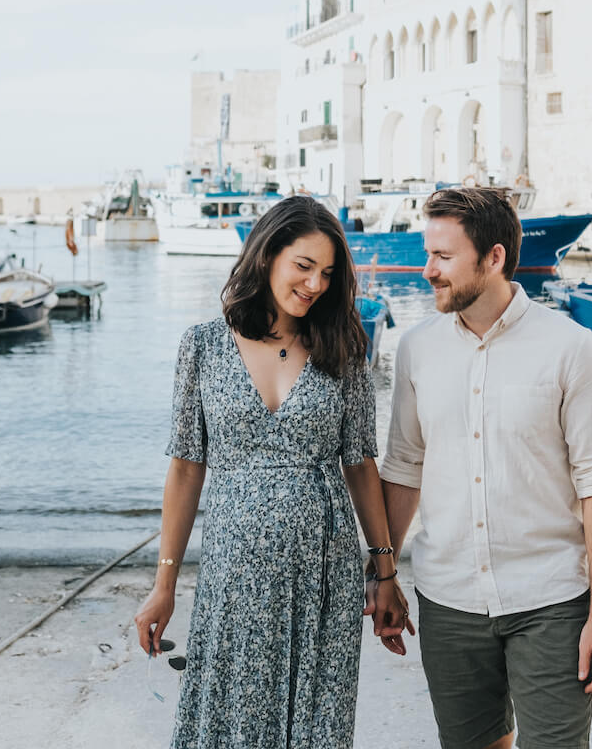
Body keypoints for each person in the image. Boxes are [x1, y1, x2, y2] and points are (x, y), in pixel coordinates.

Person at [135, 195, 409, 749]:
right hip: (234, 574)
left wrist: (385, 575)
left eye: (327, 274)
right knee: (230, 719)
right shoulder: (204, 345)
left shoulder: (343, 345)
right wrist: (164, 585)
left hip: (323, 573)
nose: (314, 285)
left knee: (315, 726)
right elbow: (187, 468)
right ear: (266, 256)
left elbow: (359, 462)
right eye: (303, 266)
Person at [380, 187, 592, 749]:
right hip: (447, 601)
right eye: (428, 254)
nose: (427, 271)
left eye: (443, 257)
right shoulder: (416, 349)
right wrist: (385, 574)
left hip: (551, 600)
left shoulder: (571, 347)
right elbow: (403, 467)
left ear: (493, 258)